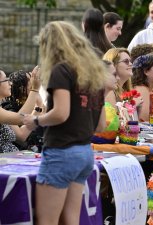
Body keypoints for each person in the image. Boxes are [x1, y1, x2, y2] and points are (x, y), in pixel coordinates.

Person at [23, 21, 108, 225]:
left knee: (47, 221)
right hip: (85, 153)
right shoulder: (93, 73)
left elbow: (61, 113)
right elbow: (101, 125)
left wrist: (35, 120)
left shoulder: (61, 70)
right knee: (71, 219)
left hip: (62, 152)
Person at [0, 68, 41, 153]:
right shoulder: (8, 107)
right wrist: (34, 89)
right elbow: (21, 119)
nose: (10, 83)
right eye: (6, 80)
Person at [92, 60, 120, 144]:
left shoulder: (100, 99)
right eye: (114, 74)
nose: (118, 78)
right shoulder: (92, 100)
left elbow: (101, 127)